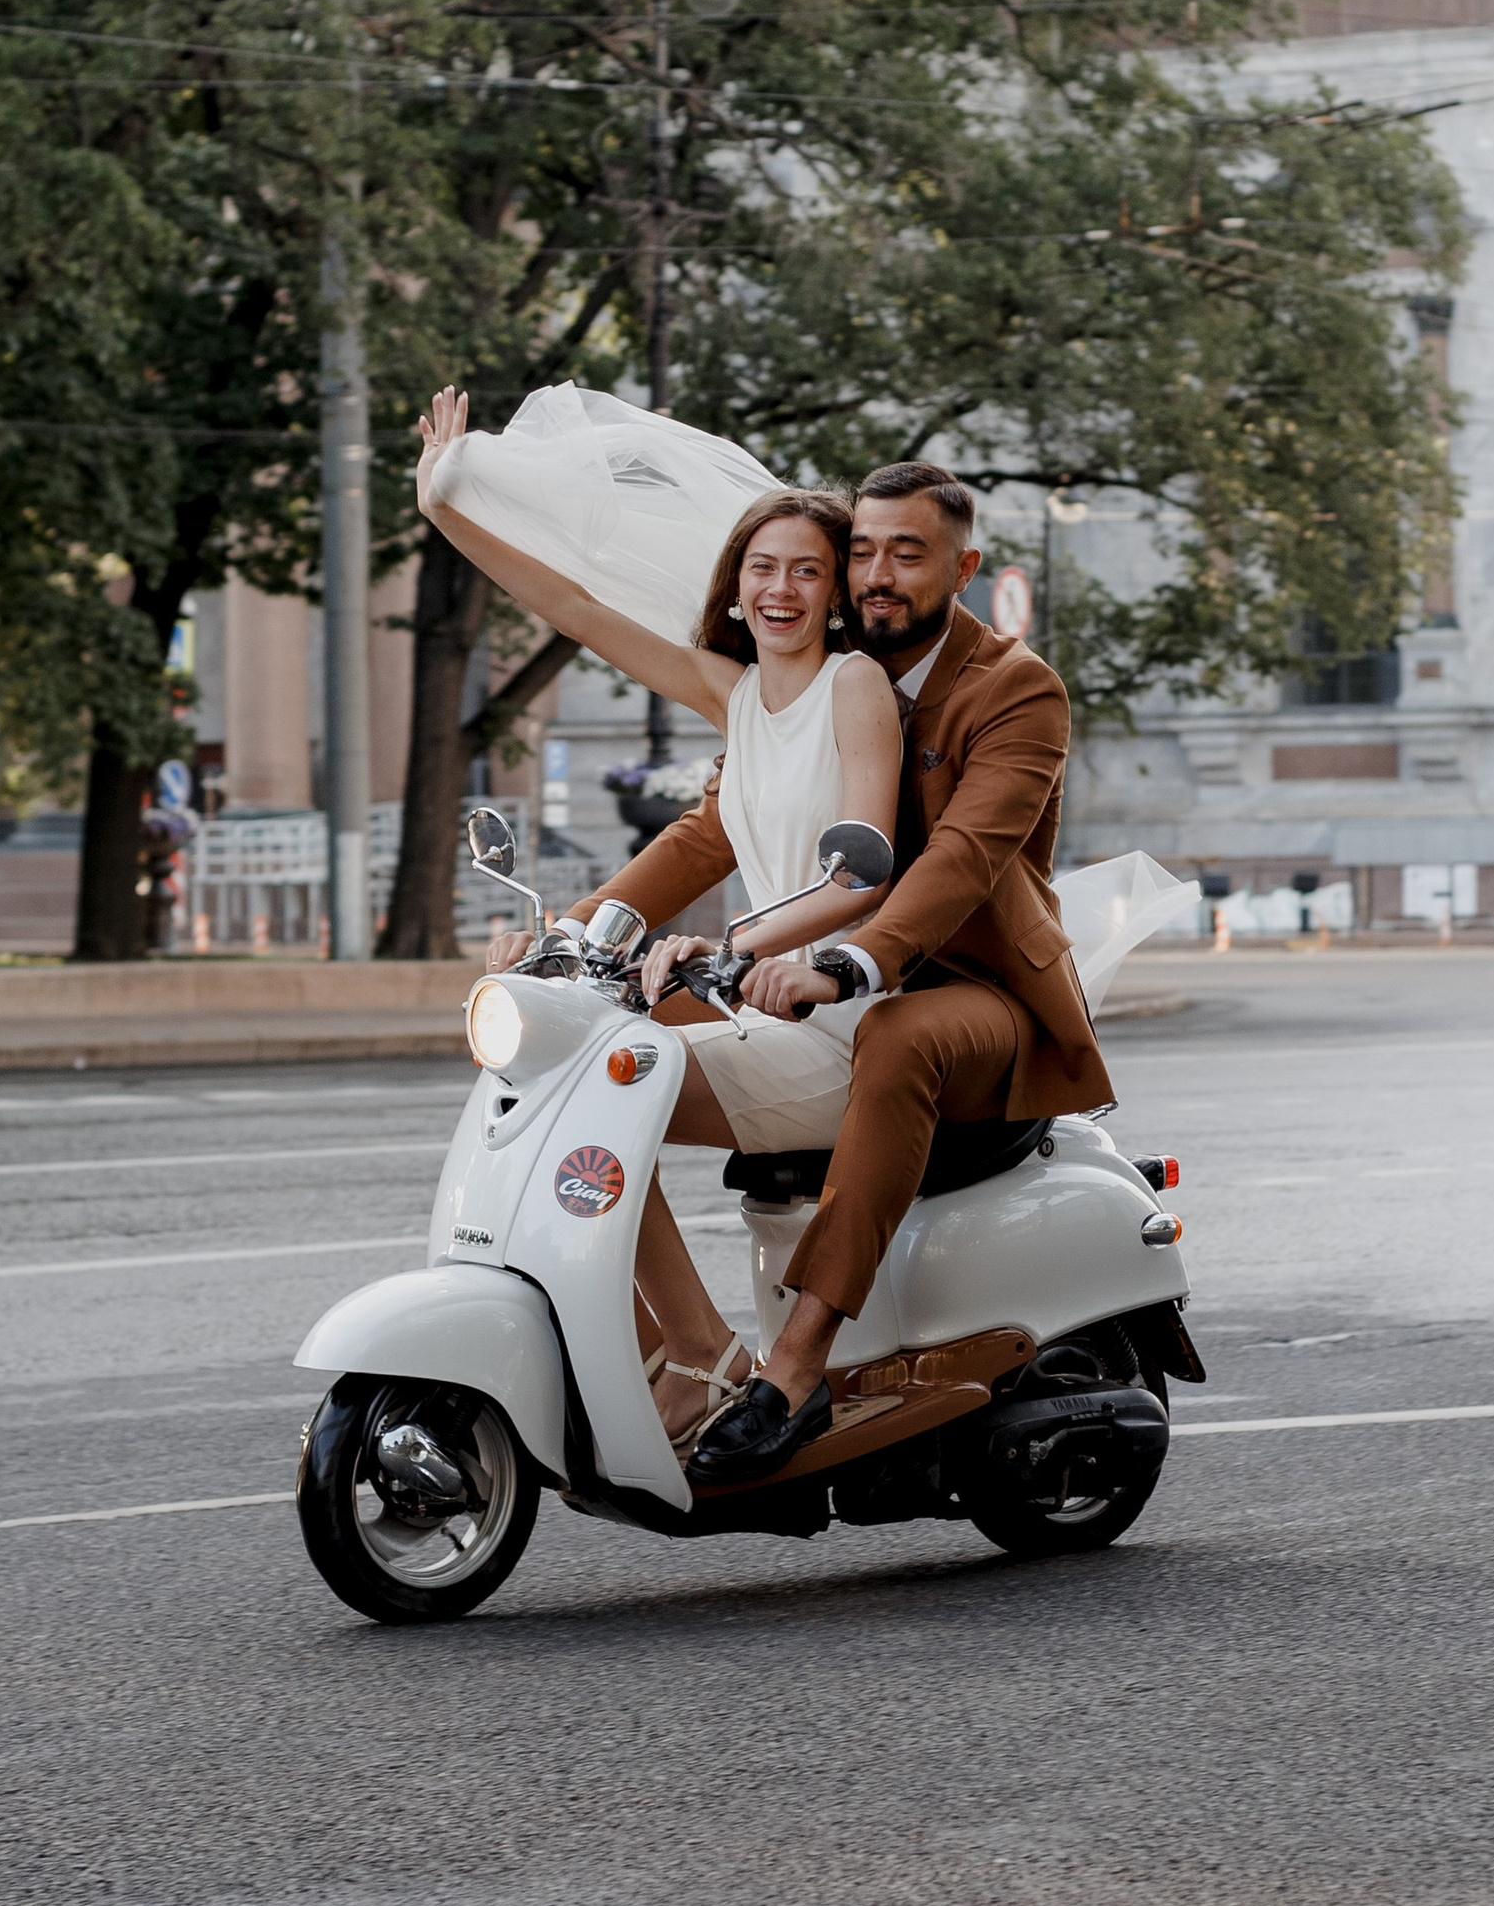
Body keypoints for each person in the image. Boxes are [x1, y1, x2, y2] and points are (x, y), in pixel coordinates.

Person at [597, 461, 1114, 1488]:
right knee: (608, 1062)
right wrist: (575, 929)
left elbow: (961, 857)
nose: (879, 573)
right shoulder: (818, 676)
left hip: (974, 992)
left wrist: (848, 962)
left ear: (962, 567)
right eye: (864, 551)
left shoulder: (1015, 688)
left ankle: (796, 1367)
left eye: (907, 554)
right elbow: (713, 831)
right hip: (823, 977)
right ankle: (687, 1353)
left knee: (898, 1035)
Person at [415, 387, 903, 1436]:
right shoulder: (737, 696)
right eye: (762, 567)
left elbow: (860, 875)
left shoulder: (855, 684)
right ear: (738, 582)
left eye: (805, 571)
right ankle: (651, 1352)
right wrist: (446, 505)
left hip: (833, 1017)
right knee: (558, 1071)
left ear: (835, 594)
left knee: (596, 1095)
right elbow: (578, 608)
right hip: (754, 1005)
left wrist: (729, 942)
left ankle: (701, 1352)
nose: (779, 588)